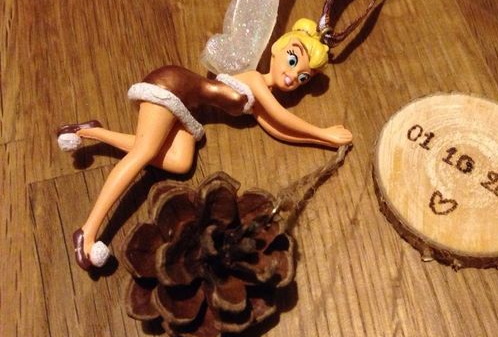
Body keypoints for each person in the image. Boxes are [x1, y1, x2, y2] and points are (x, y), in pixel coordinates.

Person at [57, 18, 352, 270]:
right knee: (143, 154)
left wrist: (321, 141)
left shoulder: (260, 94)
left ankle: (91, 132)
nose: (292, 77)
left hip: (186, 109)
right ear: (277, 50)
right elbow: (280, 116)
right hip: (172, 85)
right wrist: (323, 132)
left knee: (179, 162)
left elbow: (276, 128)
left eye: (303, 77)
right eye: (292, 60)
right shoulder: (254, 79)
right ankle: (88, 232)